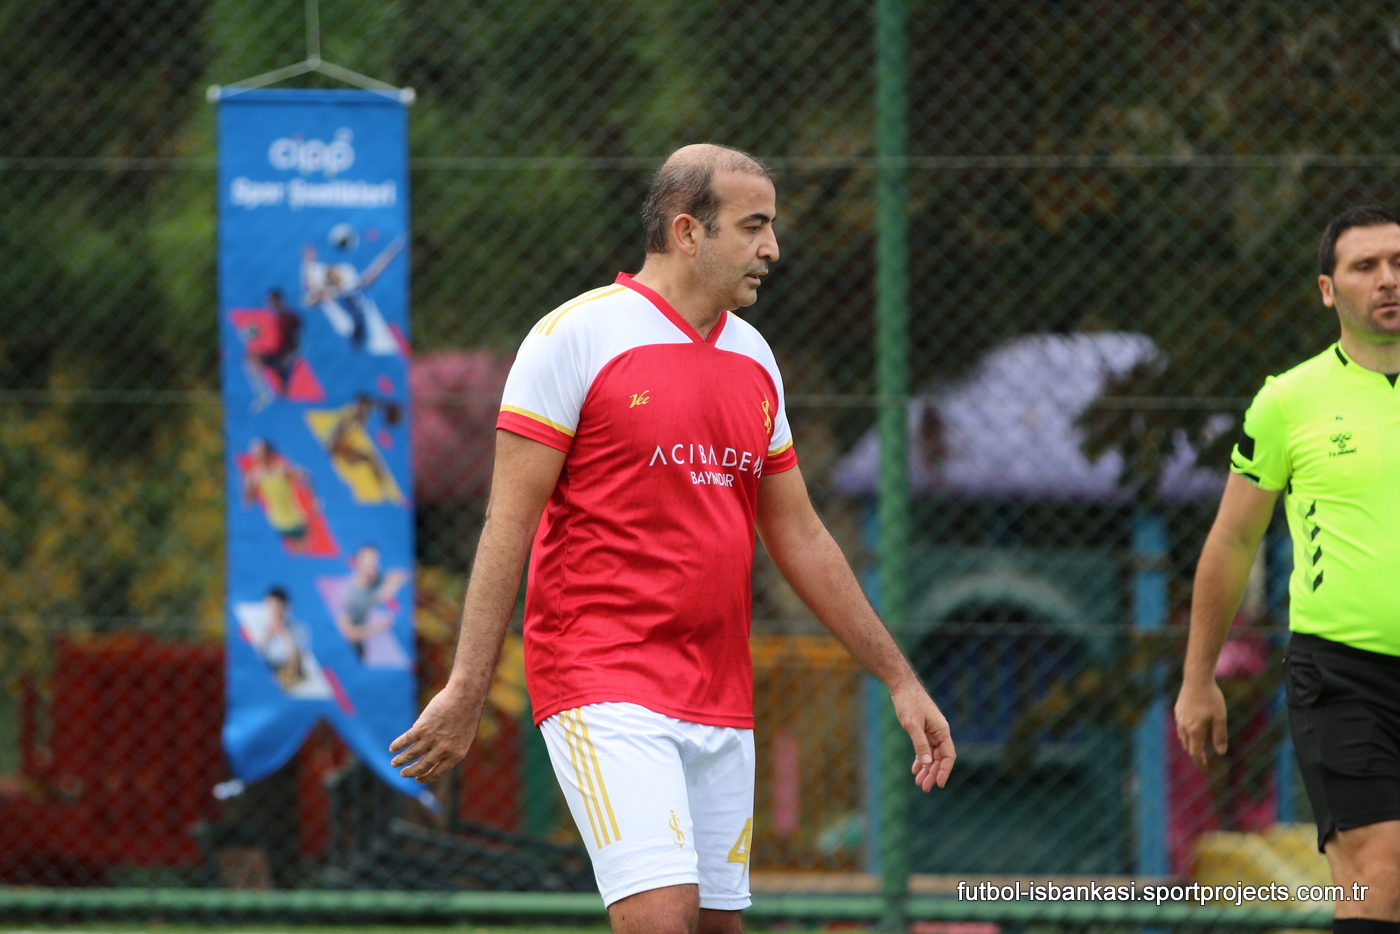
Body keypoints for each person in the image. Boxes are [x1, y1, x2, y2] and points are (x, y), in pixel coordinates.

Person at [389, 144, 955, 934]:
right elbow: (507, 525)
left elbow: (801, 534)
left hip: (719, 693)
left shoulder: (755, 358)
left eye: (771, 227)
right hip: (601, 679)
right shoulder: (574, 337)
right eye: (753, 227)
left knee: (716, 927)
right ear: (688, 232)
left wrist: (899, 679)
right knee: (662, 917)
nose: (772, 249)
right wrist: (466, 689)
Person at [1176, 205, 1400, 932]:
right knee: (1381, 874)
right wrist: (1198, 677)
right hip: (1344, 675)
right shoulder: (1288, 401)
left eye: (1398, 263)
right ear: (1328, 290)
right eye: (1365, 266)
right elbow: (1233, 539)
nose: (1388, 279)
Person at [333, 544, 409, 667]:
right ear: (358, 563)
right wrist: (378, 628)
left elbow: (400, 575)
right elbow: (348, 634)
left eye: (375, 564)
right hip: (351, 655)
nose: (372, 569)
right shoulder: (349, 596)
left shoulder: (375, 579)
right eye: (368, 565)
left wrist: (389, 588)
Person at [241, 438, 313, 550]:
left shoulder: (282, 469)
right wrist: (246, 487)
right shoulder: (254, 476)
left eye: (259, 452)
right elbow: (248, 505)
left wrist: (311, 500)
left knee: (304, 551)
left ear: (268, 452)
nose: (255, 455)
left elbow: (306, 476)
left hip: (295, 518)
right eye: (253, 452)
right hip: (277, 522)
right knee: (292, 552)